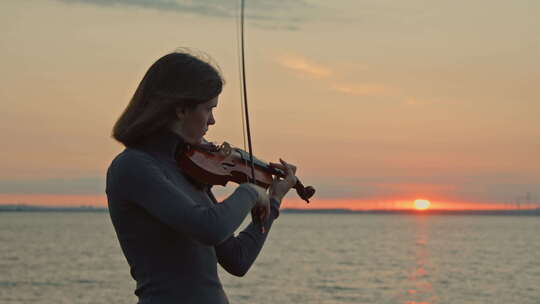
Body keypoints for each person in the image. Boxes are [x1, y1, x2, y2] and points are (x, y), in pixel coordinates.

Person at [105, 50, 297, 304]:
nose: (213, 120)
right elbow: (209, 227)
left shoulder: (187, 169)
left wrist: (273, 200)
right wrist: (250, 192)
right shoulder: (134, 167)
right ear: (181, 109)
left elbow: (237, 260)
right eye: (208, 109)